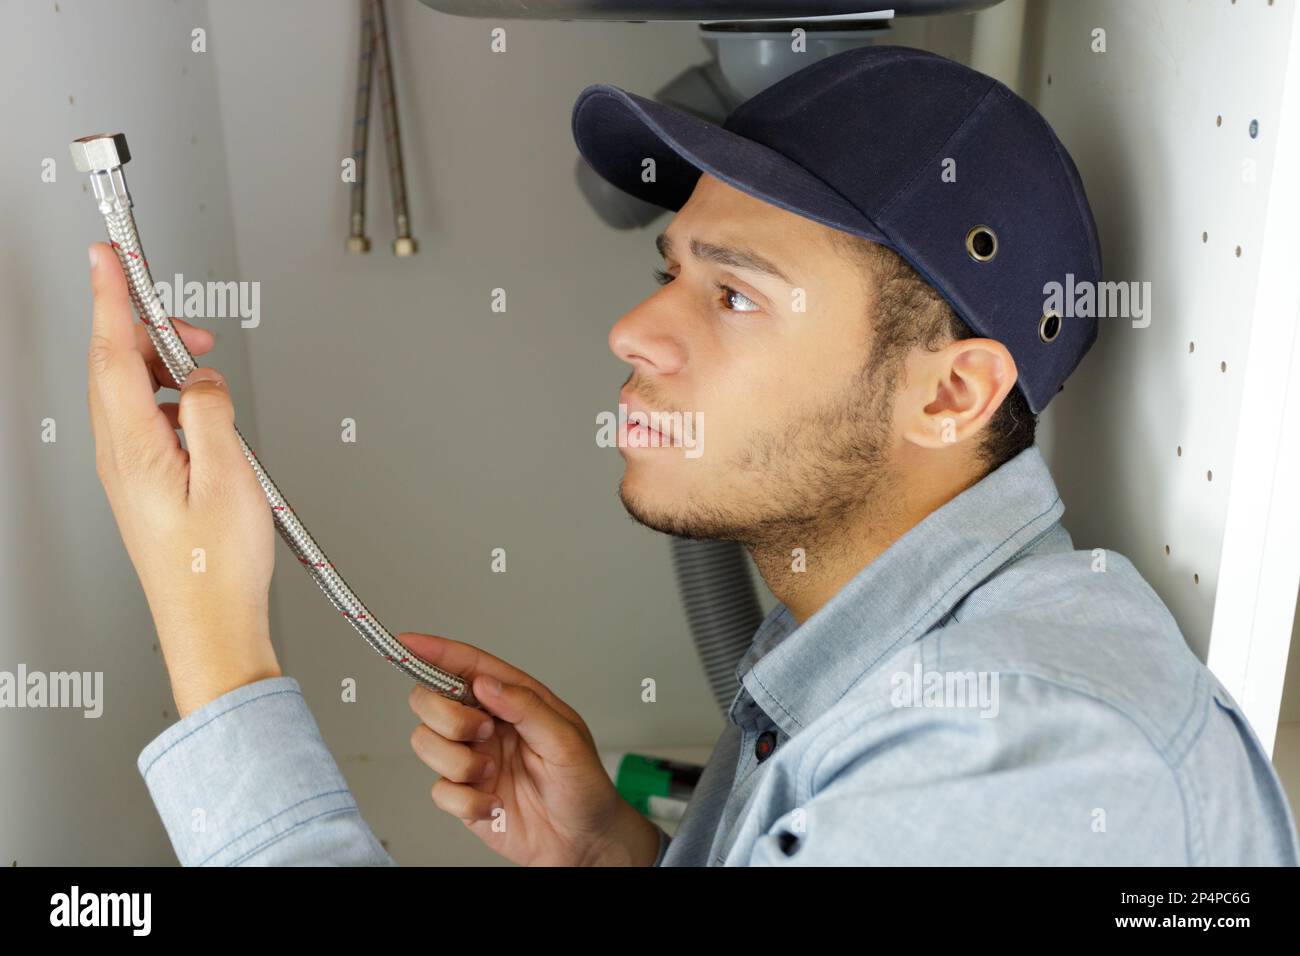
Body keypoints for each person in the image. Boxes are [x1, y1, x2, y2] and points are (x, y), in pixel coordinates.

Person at [86, 45, 1299, 866]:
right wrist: (615, 853)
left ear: (949, 392)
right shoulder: (875, 658)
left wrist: (215, 648)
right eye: (671, 271)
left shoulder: (1024, 756)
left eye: (736, 295)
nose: (631, 331)